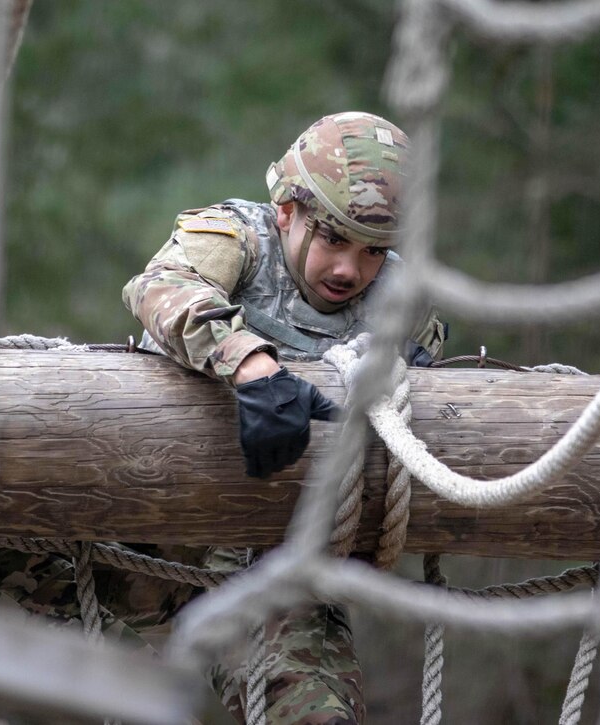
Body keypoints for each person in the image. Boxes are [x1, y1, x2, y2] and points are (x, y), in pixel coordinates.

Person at [121, 111, 445, 723]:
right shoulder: (234, 237)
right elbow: (162, 289)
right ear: (287, 212)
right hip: (132, 536)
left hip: (271, 575)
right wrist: (253, 371)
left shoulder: (402, 302)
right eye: (332, 239)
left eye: (373, 250)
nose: (350, 269)